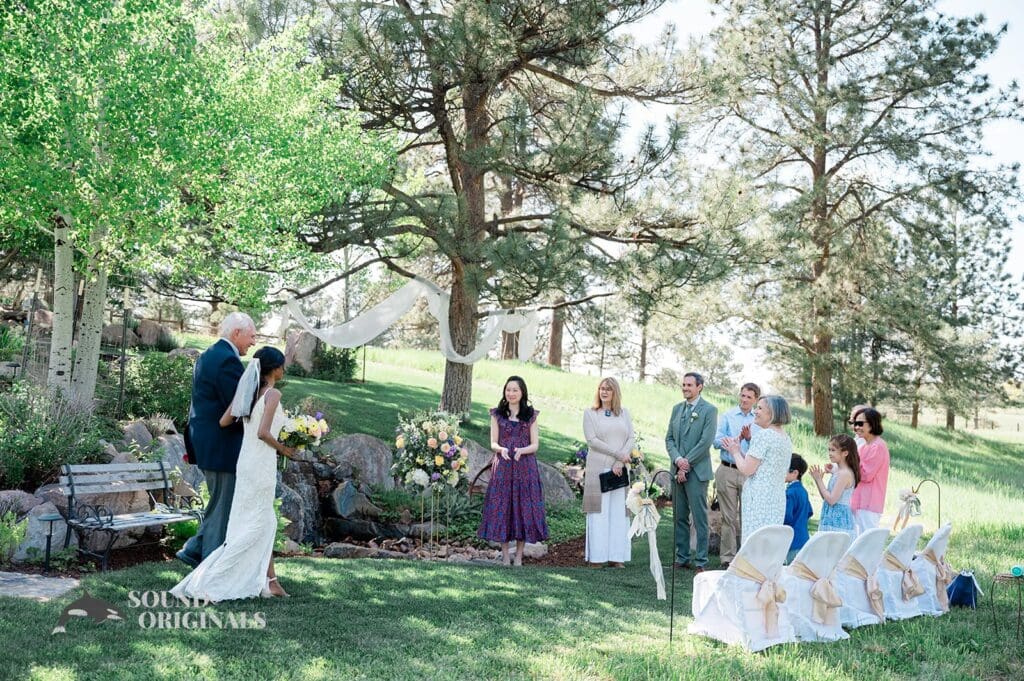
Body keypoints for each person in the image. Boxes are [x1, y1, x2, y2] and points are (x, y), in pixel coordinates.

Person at [172, 347, 297, 601]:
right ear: (274, 369)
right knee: (260, 522)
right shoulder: (273, 394)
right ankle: (216, 578)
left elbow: (223, 422)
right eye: (282, 365)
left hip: (246, 461)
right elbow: (263, 432)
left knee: (261, 521)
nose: (284, 370)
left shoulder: (249, 393)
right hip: (260, 462)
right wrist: (285, 449)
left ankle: (270, 581)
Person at [178, 312, 256, 567]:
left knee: (218, 503)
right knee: (222, 508)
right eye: (251, 336)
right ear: (236, 333)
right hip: (222, 445)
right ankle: (209, 568)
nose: (253, 342)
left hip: (207, 443)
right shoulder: (227, 361)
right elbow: (238, 407)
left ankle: (193, 549)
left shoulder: (209, 354)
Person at [478, 376, 548, 566]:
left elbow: (535, 445)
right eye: (508, 390)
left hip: (525, 468)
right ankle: (505, 556)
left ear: (522, 392)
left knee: (523, 509)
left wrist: (521, 451)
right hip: (503, 468)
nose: (511, 393)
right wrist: (501, 450)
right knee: (503, 508)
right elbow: (493, 442)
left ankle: (518, 556)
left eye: (515, 390)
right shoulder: (497, 414)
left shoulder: (530, 415)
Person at [722, 395, 792, 545]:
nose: (755, 411)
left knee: (754, 544)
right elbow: (758, 463)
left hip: (759, 499)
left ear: (772, 413)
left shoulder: (764, 435)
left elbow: (747, 469)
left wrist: (734, 451)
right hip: (776, 499)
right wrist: (739, 450)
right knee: (769, 544)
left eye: (760, 408)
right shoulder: (785, 437)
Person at [665, 372, 717, 571]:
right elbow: (669, 439)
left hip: (697, 472)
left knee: (699, 517)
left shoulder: (710, 410)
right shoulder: (677, 409)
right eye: (683, 385)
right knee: (679, 516)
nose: (685, 388)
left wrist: (687, 463)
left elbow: (706, 441)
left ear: (700, 387)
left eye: (689, 385)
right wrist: (678, 460)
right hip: (677, 469)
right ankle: (682, 557)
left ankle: (701, 560)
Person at [582, 377, 634, 568]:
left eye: (608, 389)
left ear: (615, 393)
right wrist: (617, 454)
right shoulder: (590, 413)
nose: (604, 392)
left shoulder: (624, 414)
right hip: (599, 468)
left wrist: (620, 461)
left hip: (619, 470)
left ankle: (616, 557)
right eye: (602, 388)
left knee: (619, 514)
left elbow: (631, 438)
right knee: (599, 513)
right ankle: (597, 557)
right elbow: (592, 440)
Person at [713, 382, 760, 568]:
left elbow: (763, 446)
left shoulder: (760, 420)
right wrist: (732, 441)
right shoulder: (728, 416)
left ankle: (747, 558)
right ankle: (728, 558)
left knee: (748, 515)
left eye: (749, 397)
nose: (744, 399)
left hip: (749, 472)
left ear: (755, 399)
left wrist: (749, 439)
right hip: (727, 469)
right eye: (742, 395)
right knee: (728, 517)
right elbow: (716, 441)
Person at [808, 435, 859, 539]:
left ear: (845, 453)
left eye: (833, 450)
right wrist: (818, 481)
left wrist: (819, 480)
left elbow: (832, 500)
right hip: (829, 517)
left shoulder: (844, 474)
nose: (830, 453)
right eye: (829, 450)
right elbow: (826, 498)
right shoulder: (839, 472)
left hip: (838, 521)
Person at [850, 407, 890, 534]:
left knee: (866, 543)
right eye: (855, 423)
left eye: (860, 423)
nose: (856, 427)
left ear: (872, 424)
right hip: (859, 502)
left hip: (869, 503)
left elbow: (866, 475)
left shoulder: (877, 446)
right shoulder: (864, 447)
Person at [784, 454, 813, 564]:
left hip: (792, 541)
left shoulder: (790, 493)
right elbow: (809, 511)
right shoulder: (803, 491)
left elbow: (787, 517)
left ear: (795, 473)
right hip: (804, 538)